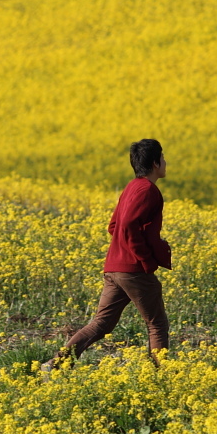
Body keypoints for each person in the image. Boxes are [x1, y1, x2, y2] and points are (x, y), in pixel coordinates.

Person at [42, 139, 171, 371]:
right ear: (154, 163)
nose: (165, 162)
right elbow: (129, 224)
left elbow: (114, 226)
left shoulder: (131, 187)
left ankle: (56, 364)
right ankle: (165, 374)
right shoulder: (148, 190)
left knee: (102, 323)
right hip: (133, 269)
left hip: (114, 267)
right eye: (162, 158)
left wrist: (128, 247)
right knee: (157, 323)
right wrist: (144, 258)